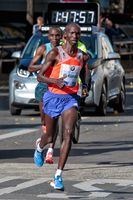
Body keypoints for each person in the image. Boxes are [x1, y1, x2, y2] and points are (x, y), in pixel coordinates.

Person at [34, 22, 90, 190]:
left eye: (77, 34)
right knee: (49, 137)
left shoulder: (81, 56)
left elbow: (85, 71)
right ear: (65, 35)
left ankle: (58, 175)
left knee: (68, 133)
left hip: (70, 98)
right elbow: (40, 76)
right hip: (52, 97)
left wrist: (85, 86)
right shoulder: (55, 54)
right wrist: (55, 81)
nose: (75, 36)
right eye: (72, 33)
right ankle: (39, 146)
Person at [28, 26, 62, 164]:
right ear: (48, 37)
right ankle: (43, 141)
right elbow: (30, 67)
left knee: (55, 118)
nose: (54, 38)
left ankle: (50, 151)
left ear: (62, 37)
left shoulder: (63, 50)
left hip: (58, 87)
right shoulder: (43, 48)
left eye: (57, 35)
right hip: (43, 87)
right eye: (52, 36)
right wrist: (47, 66)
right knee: (44, 120)